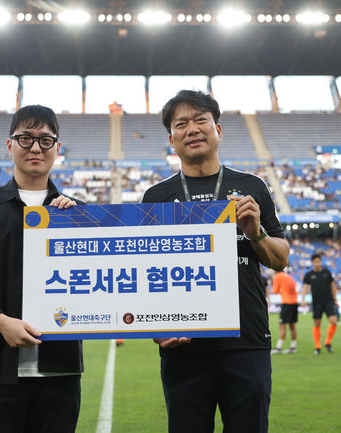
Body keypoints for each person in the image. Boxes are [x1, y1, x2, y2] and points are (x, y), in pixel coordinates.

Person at [141, 90, 290, 433]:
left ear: (218, 130)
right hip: (184, 346)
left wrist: (255, 233)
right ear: (171, 139)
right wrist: (154, 329)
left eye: (200, 120)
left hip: (246, 341)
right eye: (181, 124)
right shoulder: (156, 198)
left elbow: (280, 260)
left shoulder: (251, 186)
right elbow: (145, 275)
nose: (191, 129)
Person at [0, 105, 84, 433]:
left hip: (59, 372)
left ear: (57, 149)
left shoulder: (77, 214)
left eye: (45, 140)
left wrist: (79, 224)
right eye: (26, 138)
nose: (36, 147)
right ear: (10, 145)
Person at [301, 253, 339, 355]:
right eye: (315, 261)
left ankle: (327, 342)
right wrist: (303, 300)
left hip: (328, 301)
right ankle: (317, 347)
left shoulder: (327, 273)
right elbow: (305, 288)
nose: (317, 263)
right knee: (317, 324)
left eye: (319, 261)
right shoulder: (309, 275)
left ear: (321, 262)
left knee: (334, 321)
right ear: (312, 262)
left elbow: (333, 286)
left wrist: (335, 299)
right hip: (317, 302)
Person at [270, 269, 298, 354]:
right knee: (292, 326)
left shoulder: (277, 277)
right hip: (294, 302)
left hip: (286, 303)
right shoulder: (289, 277)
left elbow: (274, 291)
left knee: (282, 325)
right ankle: (293, 347)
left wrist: (272, 281)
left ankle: (278, 348)